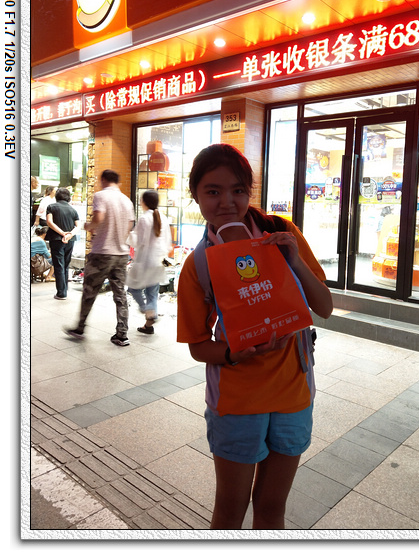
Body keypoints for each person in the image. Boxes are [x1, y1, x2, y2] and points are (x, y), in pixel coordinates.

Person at [176, 144, 333, 530]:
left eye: (238, 190)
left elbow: (325, 307)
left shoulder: (282, 233)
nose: (227, 202)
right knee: (230, 510)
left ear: (250, 192)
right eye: (213, 191)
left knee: (272, 507)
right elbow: (198, 346)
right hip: (237, 401)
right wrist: (235, 353)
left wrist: (293, 261)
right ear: (195, 194)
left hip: (294, 393)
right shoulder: (198, 265)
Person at [64, 169, 135, 347]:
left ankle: (80, 328)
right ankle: (122, 334)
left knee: (90, 291)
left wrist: (89, 226)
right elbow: (129, 226)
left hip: (102, 252)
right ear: (118, 181)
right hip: (121, 254)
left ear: (103, 180)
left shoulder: (101, 196)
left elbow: (99, 218)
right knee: (120, 294)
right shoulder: (126, 200)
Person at [126, 190, 171, 335]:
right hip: (158, 262)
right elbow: (167, 242)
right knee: (152, 293)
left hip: (145, 261)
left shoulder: (144, 218)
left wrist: (128, 235)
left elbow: (139, 241)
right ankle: (148, 325)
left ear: (144, 202)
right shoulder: (163, 217)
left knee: (133, 288)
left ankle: (147, 310)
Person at [46, 188, 80, 299]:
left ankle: (61, 293)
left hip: (56, 239)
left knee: (58, 265)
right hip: (70, 240)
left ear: (57, 196)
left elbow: (49, 222)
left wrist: (62, 233)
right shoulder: (73, 210)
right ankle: (64, 289)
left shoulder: (51, 207)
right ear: (68, 197)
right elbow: (78, 226)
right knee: (65, 265)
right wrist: (69, 234)